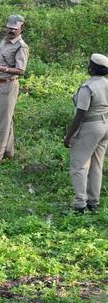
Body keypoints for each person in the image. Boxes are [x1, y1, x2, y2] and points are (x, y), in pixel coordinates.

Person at [0, 14, 30, 165]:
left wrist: (2, 69)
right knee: (6, 118)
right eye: (9, 27)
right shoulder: (5, 42)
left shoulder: (21, 47)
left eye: (14, 29)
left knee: (3, 121)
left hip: (8, 85)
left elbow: (21, 70)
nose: (11, 31)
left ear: (21, 29)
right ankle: (9, 151)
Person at [63, 54, 108, 214]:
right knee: (97, 164)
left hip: (90, 126)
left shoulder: (87, 88)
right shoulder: (106, 84)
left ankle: (80, 204)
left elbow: (80, 115)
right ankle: (93, 202)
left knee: (79, 165)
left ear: (92, 68)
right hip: (105, 125)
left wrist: (69, 136)